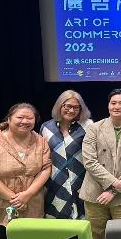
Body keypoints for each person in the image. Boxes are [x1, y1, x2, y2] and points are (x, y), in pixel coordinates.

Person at [79, 89, 121, 239]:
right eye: (113, 103)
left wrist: (113, 191)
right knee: (96, 238)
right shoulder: (94, 128)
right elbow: (89, 161)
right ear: (108, 105)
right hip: (95, 192)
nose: (117, 106)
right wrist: (115, 183)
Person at [0, 103, 51, 226]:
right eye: (20, 117)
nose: (25, 121)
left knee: (28, 236)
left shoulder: (41, 141)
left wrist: (27, 194)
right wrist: (14, 199)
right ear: (8, 119)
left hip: (30, 204)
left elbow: (45, 169)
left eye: (29, 118)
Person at [40, 90, 92, 219]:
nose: (71, 110)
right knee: (56, 222)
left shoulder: (88, 126)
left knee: (82, 221)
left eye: (76, 107)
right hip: (55, 183)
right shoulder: (46, 127)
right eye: (68, 106)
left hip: (82, 181)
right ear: (60, 106)